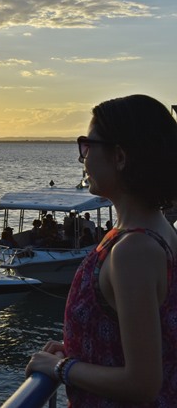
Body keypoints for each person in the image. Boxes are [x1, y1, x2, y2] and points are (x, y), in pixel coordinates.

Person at [26, 94, 177, 405]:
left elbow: (143, 383)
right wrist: (79, 352)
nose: (82, 157)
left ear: (119, 157)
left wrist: (60, 366)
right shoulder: (158, 230)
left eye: (87, 145)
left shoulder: (133, 250)